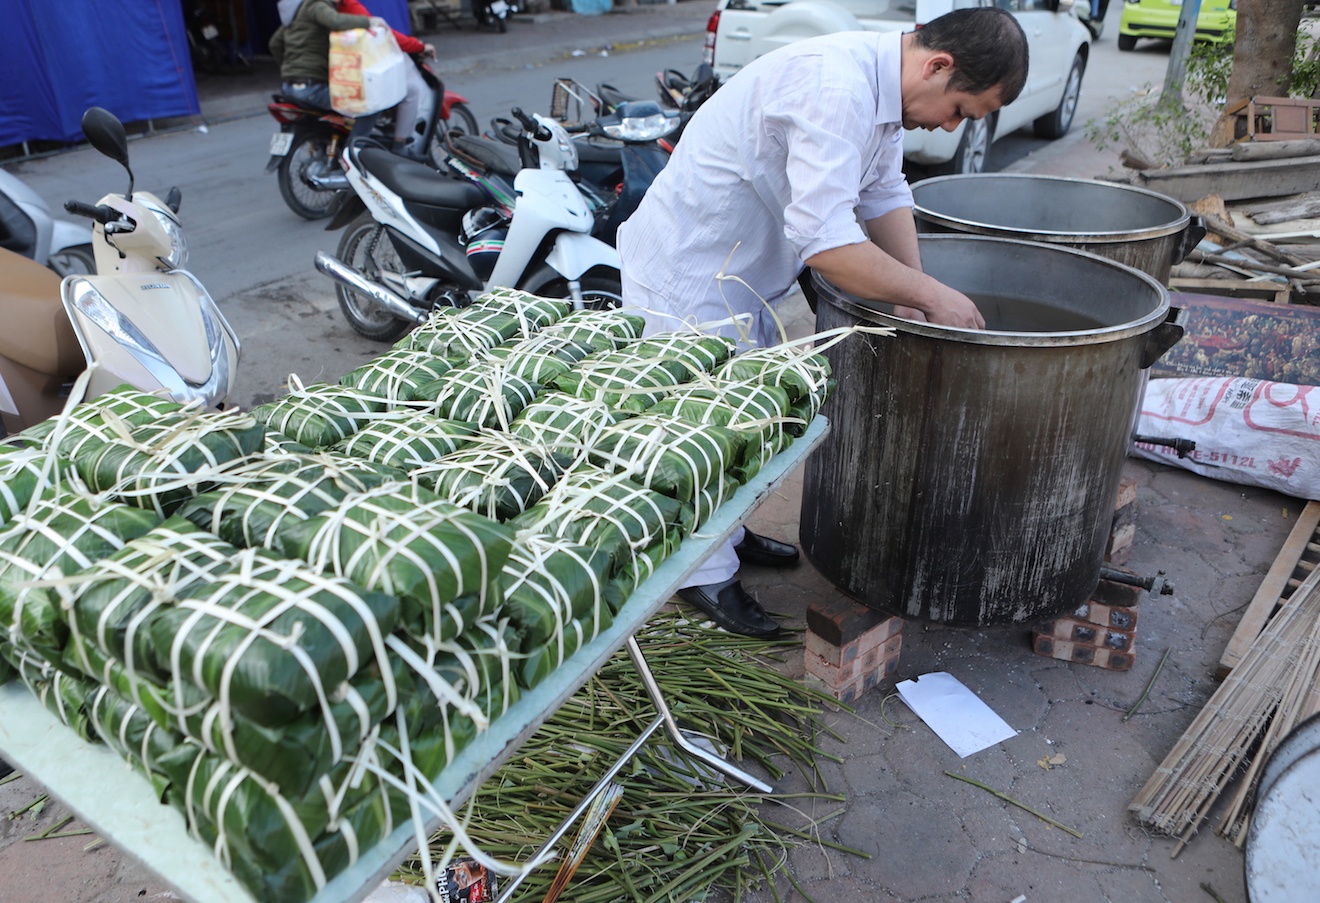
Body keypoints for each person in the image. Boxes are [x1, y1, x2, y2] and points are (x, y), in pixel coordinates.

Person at [616, 7, 1029, 638]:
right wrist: (934, 296)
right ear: (937, 66)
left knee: (737, 423)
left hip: (740, 276)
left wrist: (915, 295)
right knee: (695, 434)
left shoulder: (885, 85)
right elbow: (828, 244)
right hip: (688, 275)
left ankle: (726, 536)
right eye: (959, 111)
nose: (950, 128)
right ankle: (700, 577)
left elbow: (884, 191)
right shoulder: (835, 87)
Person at [269, 0, 436, 159]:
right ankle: (354, 153)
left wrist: (289, 70)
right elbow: (336, 21)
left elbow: (274, 44)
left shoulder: (297, 14)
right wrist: (369, 22)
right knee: (370, 104)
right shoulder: (316, 5)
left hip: (290, 86)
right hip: (311, 87)